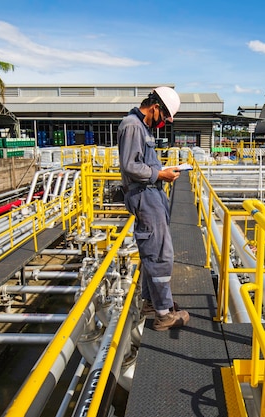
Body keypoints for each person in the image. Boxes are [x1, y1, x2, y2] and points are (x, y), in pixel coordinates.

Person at [117, 86, 190, 331]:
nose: (164, 123)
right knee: (160, 254)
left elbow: (142, 164)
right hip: (144, 197)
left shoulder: (141, 127)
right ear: (155, 107)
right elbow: (130, 166)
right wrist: (160, 173)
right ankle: (163, 314)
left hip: (150, 194)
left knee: (153, 251)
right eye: (165, 117)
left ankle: (153, 302)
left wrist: (162, 172)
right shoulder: (132, 126)